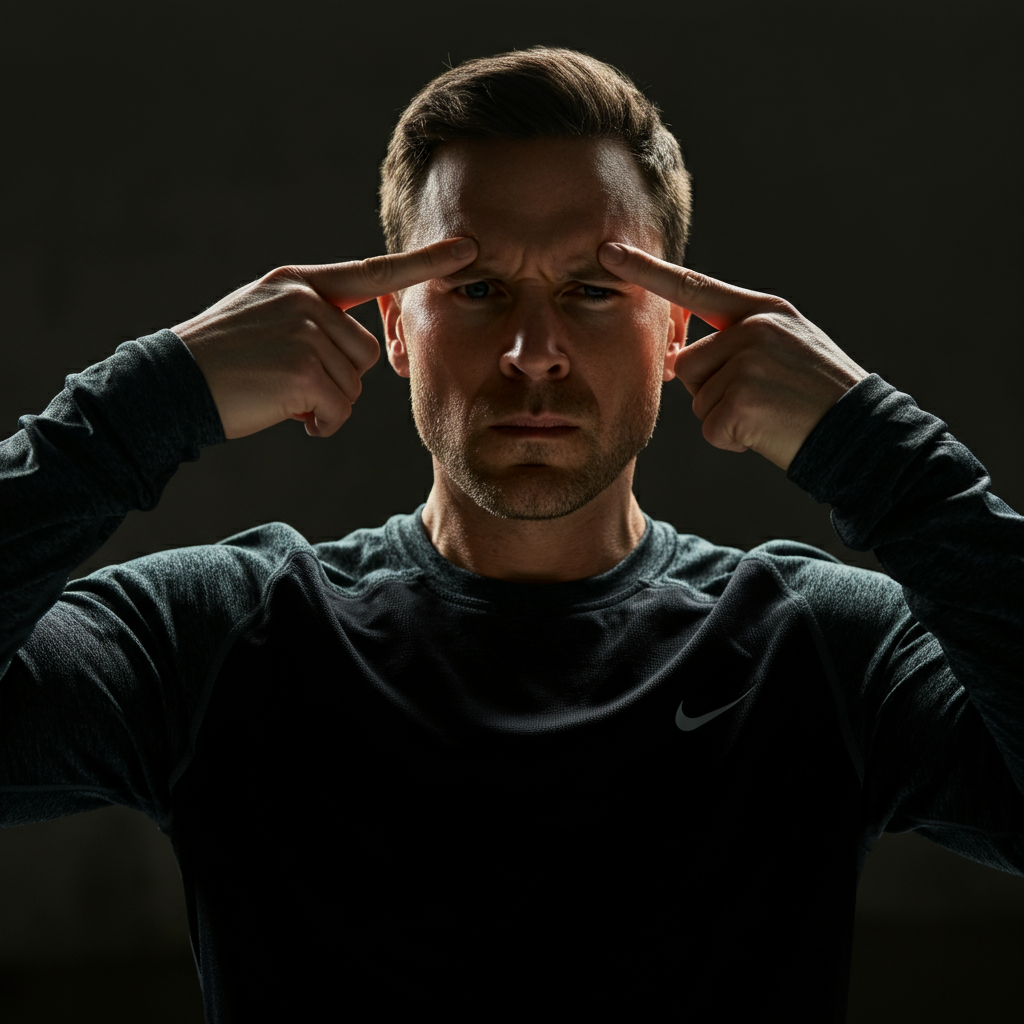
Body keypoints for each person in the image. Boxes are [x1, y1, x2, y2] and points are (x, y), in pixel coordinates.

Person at [1, 44, 1021, 1022]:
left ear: (673, 329)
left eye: (593, 289)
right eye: (477, 289)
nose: (535, 353)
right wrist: (142, 406)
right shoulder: (222, 633)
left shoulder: (824, 648)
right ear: (396, 327)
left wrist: (878, 453)